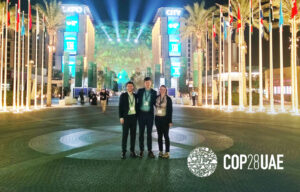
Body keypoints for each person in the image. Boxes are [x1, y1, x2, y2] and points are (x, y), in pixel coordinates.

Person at [137, 77, 157, 158]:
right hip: (141, 115)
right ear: (144, 83)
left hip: (149, 116)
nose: (148, 84)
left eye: (149, 82)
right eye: (146, 83)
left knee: (149, 134)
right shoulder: (140, 91)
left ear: (151, 83)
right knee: (141, 133)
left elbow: (156, 103)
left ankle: (150, 150)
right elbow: (135, 101)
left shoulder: (154, 92)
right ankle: (141, 150)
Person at [119, 81, 138, 159]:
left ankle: (132, 151)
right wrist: (121, 117)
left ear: (133, 87)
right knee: (125, 135)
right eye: (128, 86)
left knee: (133, 135)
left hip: (134, 117)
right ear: (126, 87)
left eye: (131, 86)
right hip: (126, 118)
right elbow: (120, 107)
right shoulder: (123, 95)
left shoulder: (136, 96)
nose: (130, 87)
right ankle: (123, 151)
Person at [155, 85, 173, 159]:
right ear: (159, 90)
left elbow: (170, 110)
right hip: (157, 119)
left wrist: (170, 121)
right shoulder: (156, 98)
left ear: (166, 90)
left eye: (163, 89)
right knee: (159, 136)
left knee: (166, 136)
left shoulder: (168, 99)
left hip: (165, 120)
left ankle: (167, 152)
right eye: (161, 89)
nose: (162, 90)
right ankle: (160, 151)